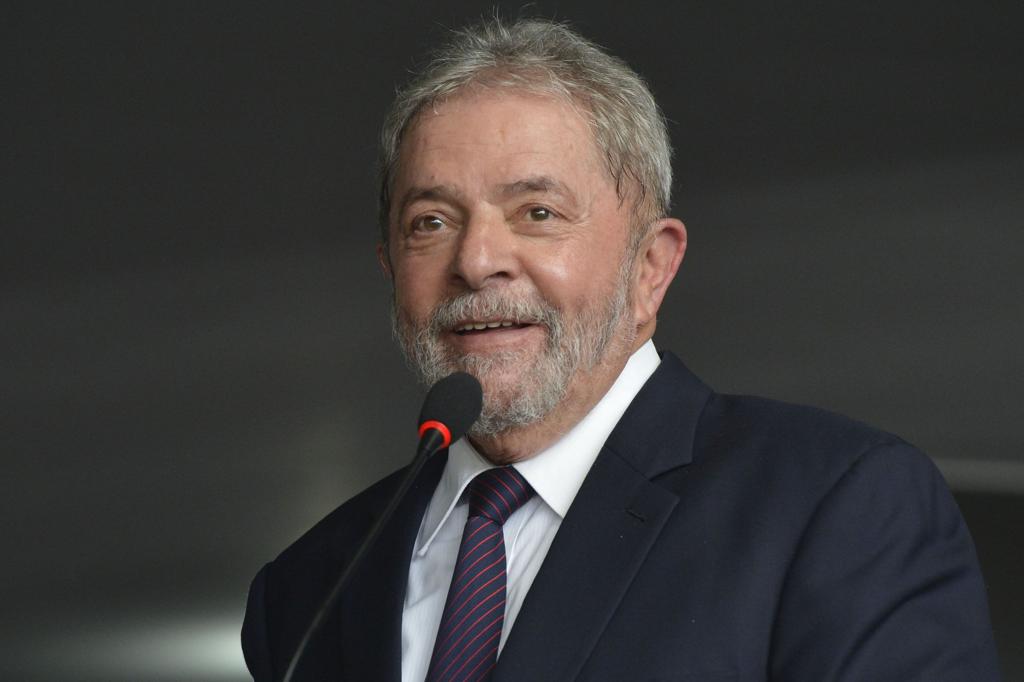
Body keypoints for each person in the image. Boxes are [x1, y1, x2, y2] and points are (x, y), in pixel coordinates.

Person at [241, 18, 1000, 682]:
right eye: (430, 223)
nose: (475, 260)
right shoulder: (308, 588)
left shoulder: (837, 506)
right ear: (390, 269)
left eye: (537, 212)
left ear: (650, 268)